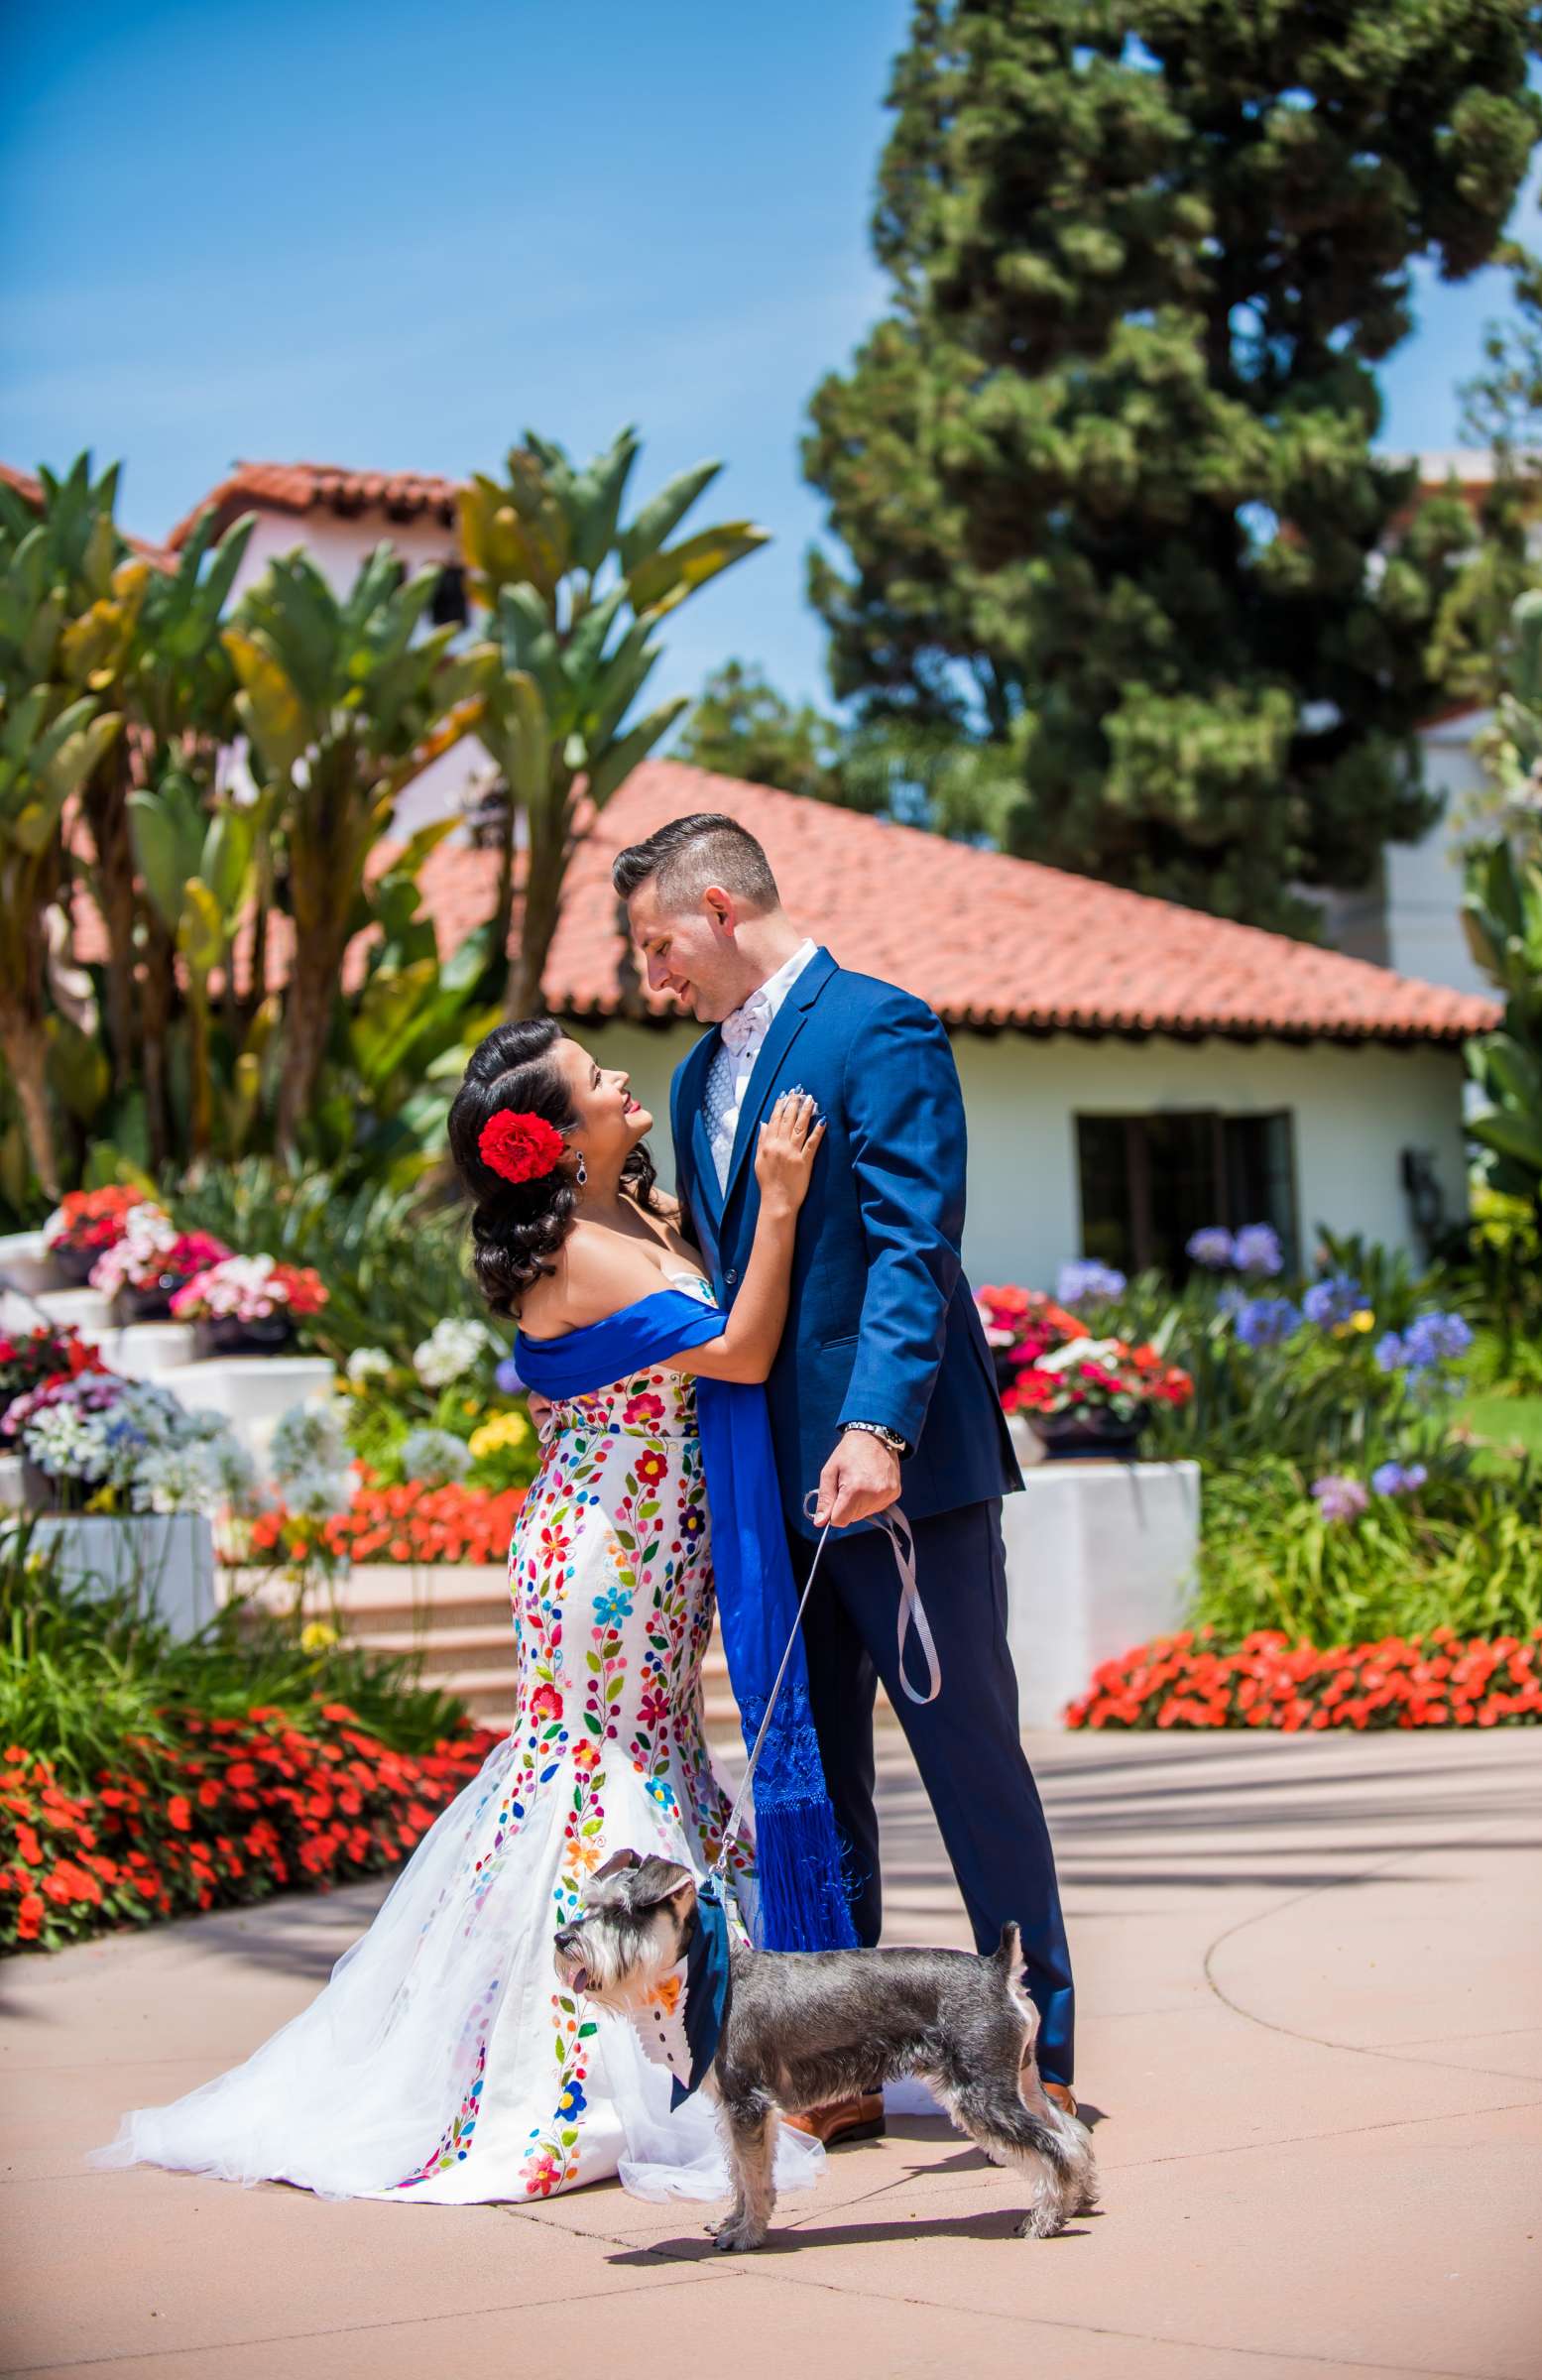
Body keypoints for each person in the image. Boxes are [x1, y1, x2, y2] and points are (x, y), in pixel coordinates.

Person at [90, 1024, 838, 2205]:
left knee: (650, 1757)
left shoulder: (628, 1215)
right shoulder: (580, 1256)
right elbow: (741, 1349)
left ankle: (684, 2032)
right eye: (598, 1080)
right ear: (553, 1136)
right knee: (597, 1776)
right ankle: (576, 2068)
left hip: (654, 1543)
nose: (623, 1080)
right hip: (604, 1554)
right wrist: (784, 1199)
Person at [612, 810, 1079, 2138]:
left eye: (657, 945)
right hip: (770, 1500)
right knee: (808, 1779)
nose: (650, 978)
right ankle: (839, 2069)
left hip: (900, 1479)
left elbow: (907, 1240)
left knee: (966, 1757)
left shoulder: (879, 1027)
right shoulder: (701, 1076)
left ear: (716, 910)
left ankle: (1028, 2051)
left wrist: (873, 1426)